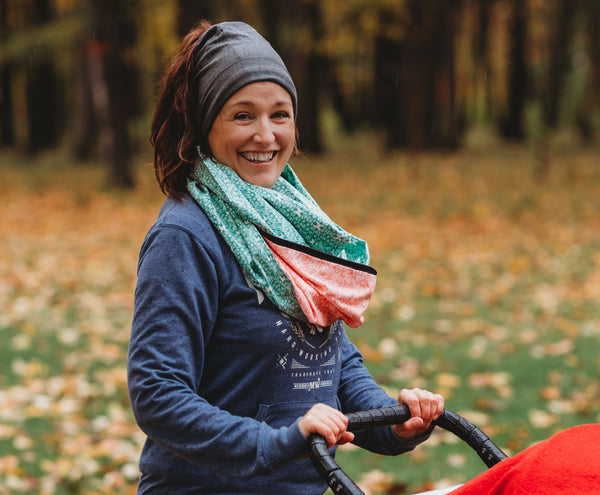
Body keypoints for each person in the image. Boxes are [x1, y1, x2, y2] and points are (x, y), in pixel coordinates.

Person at [127, 20, 445, 494]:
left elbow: (327, 356)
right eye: (242, 116)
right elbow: (157, 394)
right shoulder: (186, 234)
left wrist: (394, 423)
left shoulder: (295, 221)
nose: (265, 135)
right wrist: (274, 442)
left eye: (280, 114)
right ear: (203, 123)